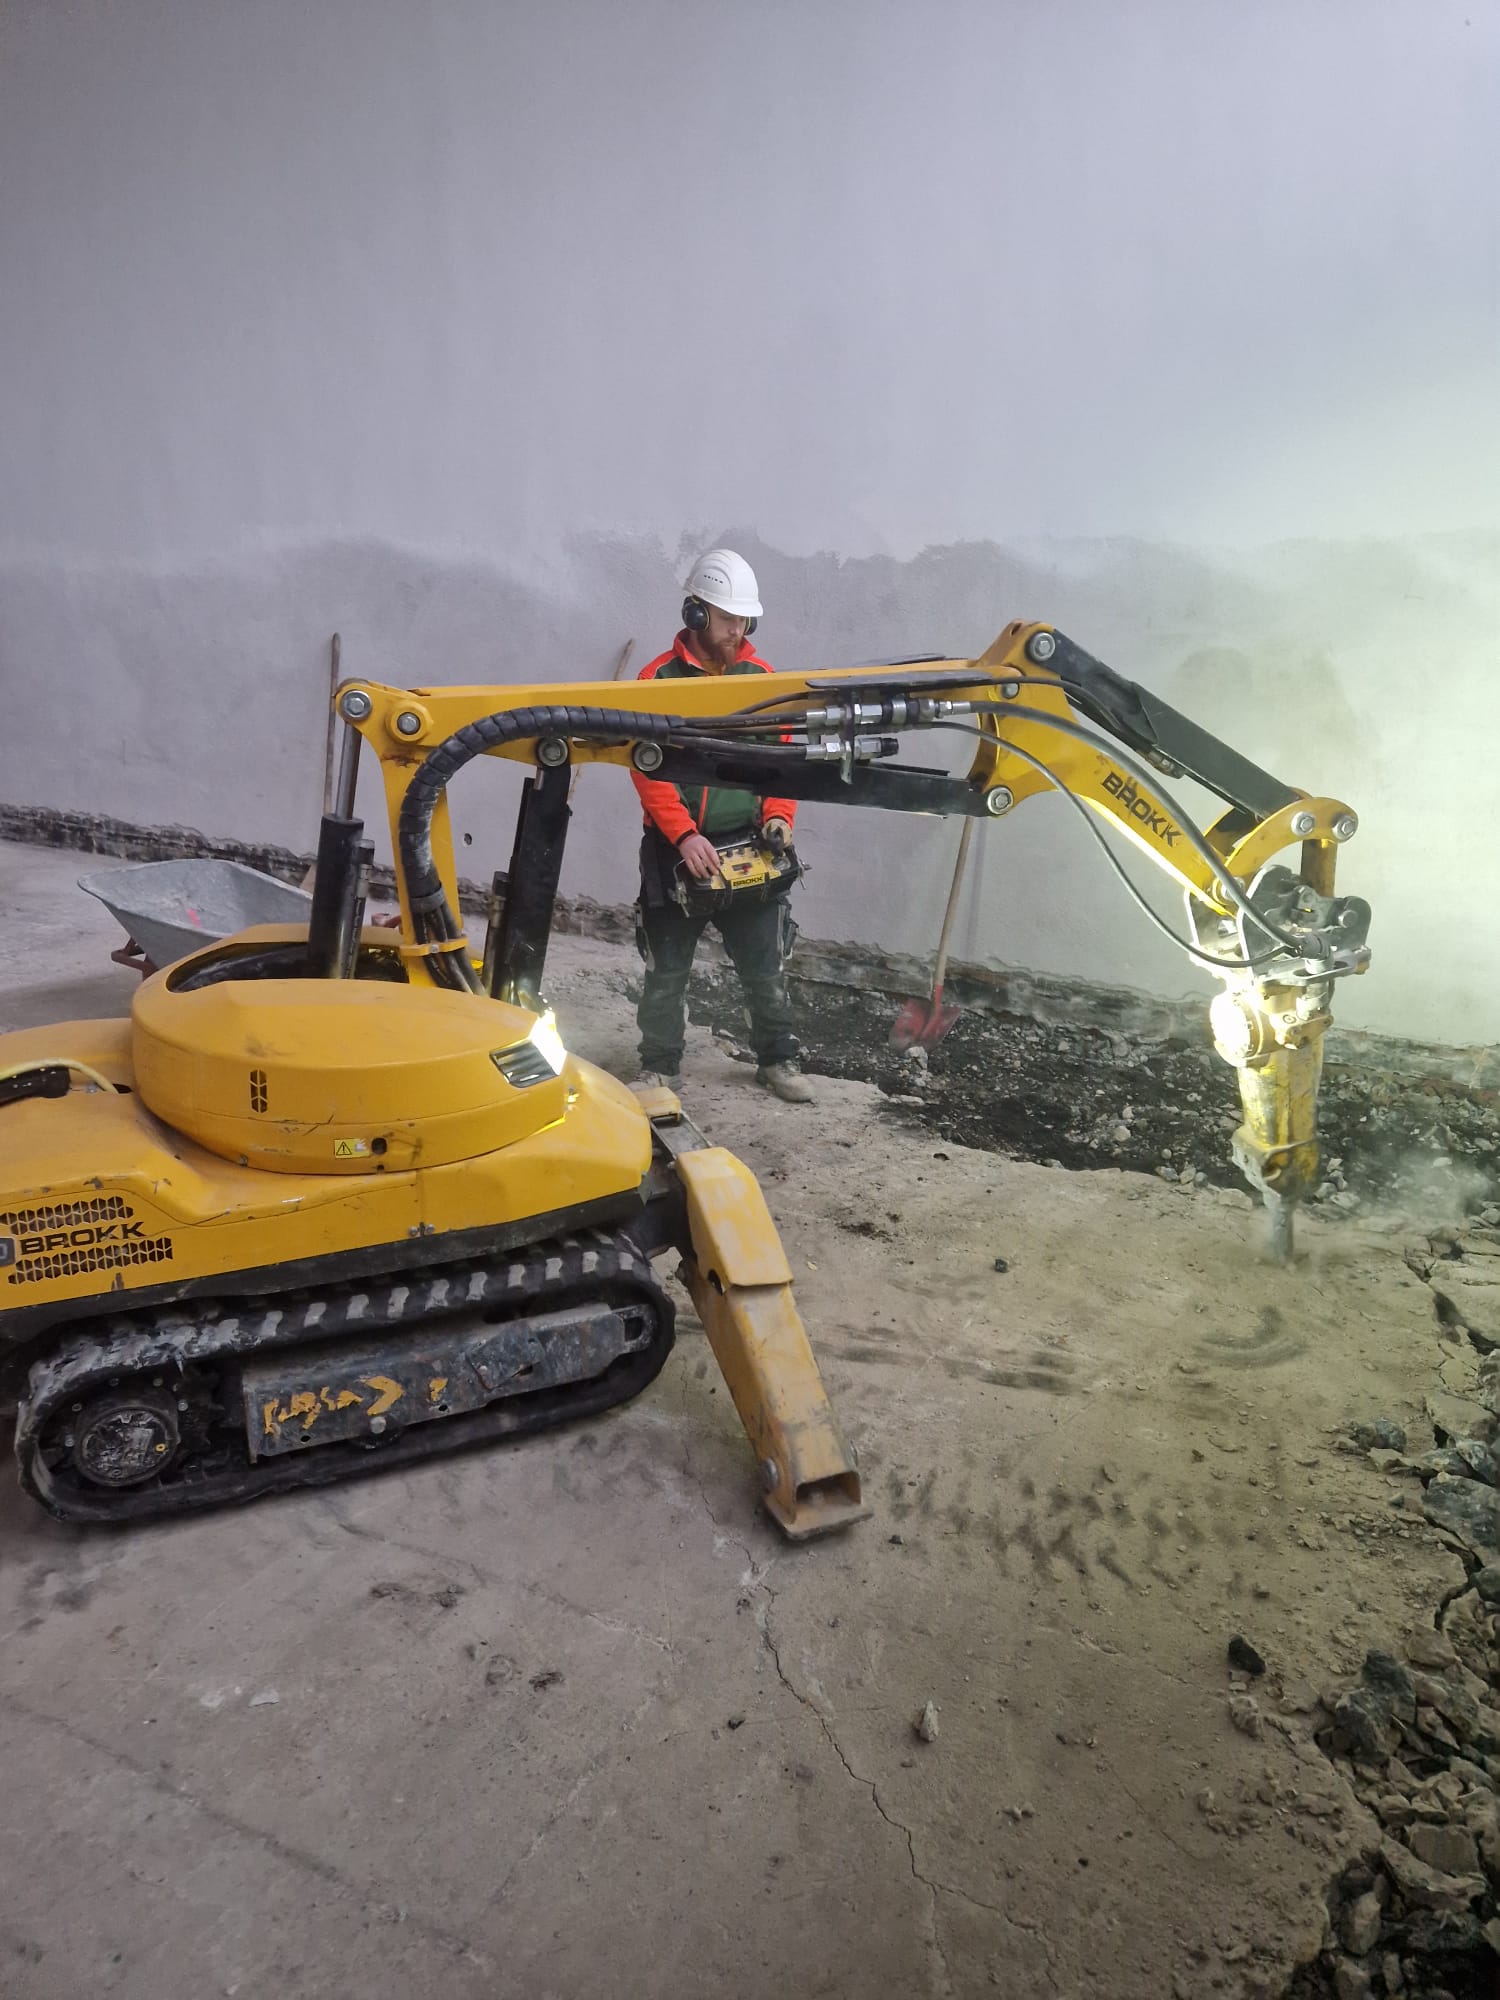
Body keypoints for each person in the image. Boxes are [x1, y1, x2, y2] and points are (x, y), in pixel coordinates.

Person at [630, 548, 814, 1104]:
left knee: (764, 964)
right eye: (728, 618)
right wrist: (684, 835)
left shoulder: (764, 682)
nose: (738, 630)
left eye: (744, 620)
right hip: (675, 850)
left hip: (749, 844)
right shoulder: (655, 680)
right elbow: (647, 769)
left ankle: (778, 1059)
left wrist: (779, 817)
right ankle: (659, 1068)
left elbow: (782, 763)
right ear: (696, 613)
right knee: (667, 968)